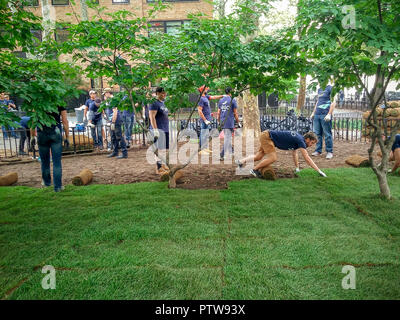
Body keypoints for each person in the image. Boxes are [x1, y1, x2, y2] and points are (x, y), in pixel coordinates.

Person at [236, 130, 327, 178]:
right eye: (312, 143)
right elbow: (307, 158)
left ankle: (240, 161)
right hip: (268, 137)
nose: (311, 145)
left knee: (258, 156)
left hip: (266, 135)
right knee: (273, 158)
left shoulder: (299, 140)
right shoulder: (301, 141)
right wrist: (319, 171)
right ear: (307, 139)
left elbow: (294, 153)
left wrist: (297, 168)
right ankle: (254, 170)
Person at [30, 106, 69, 192]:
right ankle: (58, 187)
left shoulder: (38, 101)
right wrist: (67, 137)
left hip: (41, 132)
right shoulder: (59, 101)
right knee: (57, 162)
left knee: (44, 161)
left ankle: (47, 183)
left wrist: (32, 136)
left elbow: (33, 121)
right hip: (55, 131)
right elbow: (65, 121)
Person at [310, 83, 336, 159]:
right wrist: (313, 112)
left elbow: (333, 102)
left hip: (325, 114)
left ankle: (329, 151)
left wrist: (329, 114)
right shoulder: (319, 89)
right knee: (317, 134)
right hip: (317, 114)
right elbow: (318, 102)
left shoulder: (331, 88)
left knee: (327, 134)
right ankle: (318, 150)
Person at [197, 85, 223, 155]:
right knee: (203, 134)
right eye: (205, 89)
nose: (207, 90)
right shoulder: (201, 99)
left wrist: (222, 96)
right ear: (202, 89)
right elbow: (199, 110)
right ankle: (202, 149)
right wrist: (205, 120)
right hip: (205, 120)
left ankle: (204, 148)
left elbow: (213, 97)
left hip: (208, 119)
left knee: (205, 134)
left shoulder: (205, 97)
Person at [149, 87, 169, 174]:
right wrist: (155, 129)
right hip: (158, 129)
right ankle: (159, 167)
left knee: (165, 149)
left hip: (165, 128)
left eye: (165, 93)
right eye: (162, 93)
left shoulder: (164, 102)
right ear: (157, 93)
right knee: (158, 149)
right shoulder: (154, 103)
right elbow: (152, 117)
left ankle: (163, 164)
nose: (164, 94)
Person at [217, 87, 241, 160]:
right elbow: (235, 113)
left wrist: (218, 121)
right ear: (231, 92)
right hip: (229, 122)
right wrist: (238, 122)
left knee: (227, 137)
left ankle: (232, 150)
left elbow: (218, 113)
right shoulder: (233, 100)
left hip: (222, 121)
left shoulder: (221, 100)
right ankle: (222, 154)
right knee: (227, 138)